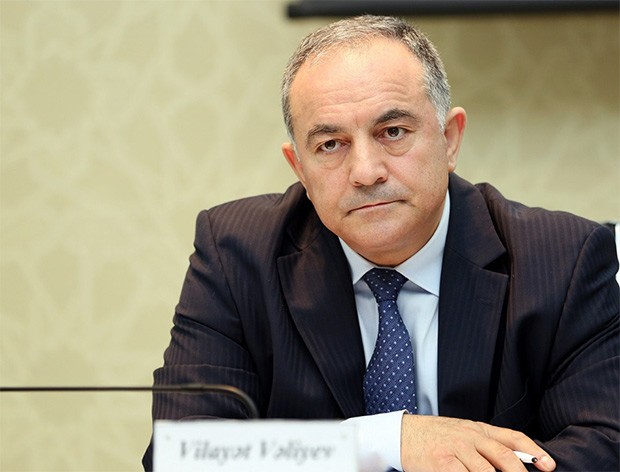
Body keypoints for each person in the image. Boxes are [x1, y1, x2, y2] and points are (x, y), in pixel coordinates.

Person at [143, 15, 619, 472]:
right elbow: (182, 456)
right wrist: (383, 441)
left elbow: (605, 450)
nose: (366, 172)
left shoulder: (563, 259)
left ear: (450, 139)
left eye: (393, 132)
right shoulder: (236, 254)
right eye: (331, 144)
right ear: (299, 168)